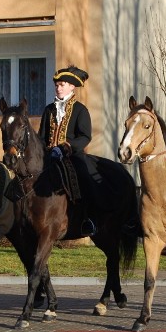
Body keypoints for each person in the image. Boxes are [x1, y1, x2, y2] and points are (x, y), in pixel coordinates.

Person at [37, 65, 103, 237]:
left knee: (84, 178)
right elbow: (42, 136)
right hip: (49, 157)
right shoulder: (49, 109)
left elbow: (85, 136)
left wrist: (65, 147)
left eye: (62, 84)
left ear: (72, 87)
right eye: (57, 85)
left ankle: (88, 220)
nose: (58, 88)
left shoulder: (81, 109)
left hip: (72, 156)